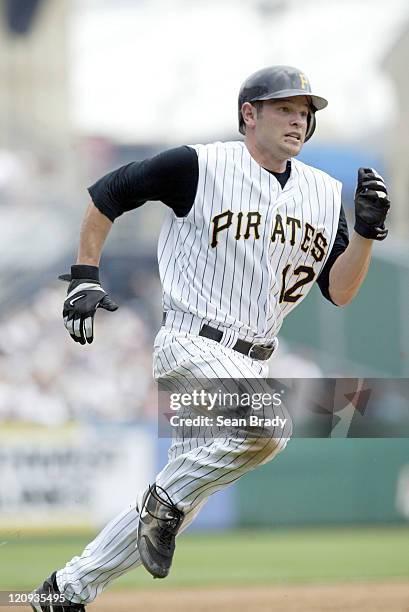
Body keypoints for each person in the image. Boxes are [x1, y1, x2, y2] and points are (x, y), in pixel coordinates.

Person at [31, 65, 390, 611]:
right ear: (249, 114)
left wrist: (364, 234)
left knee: (184, 498)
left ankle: (64, 591)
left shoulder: (321, 193)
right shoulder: (198, 165)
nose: (298, 120)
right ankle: (164, 502)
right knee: (269, 427)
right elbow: (110, 192)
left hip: (253, 358)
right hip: (190, 342)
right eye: (285, 108)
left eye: (305, 112)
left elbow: (339, 292)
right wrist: (84, 275)